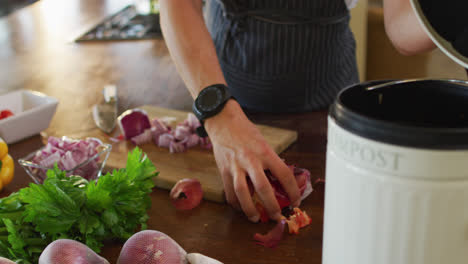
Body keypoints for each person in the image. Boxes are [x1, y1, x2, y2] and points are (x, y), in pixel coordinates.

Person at [159, 0, 435, 223]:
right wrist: (217, 112)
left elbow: (401, 28)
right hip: (225, 92)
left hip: (328, 106)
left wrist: (446, 19)